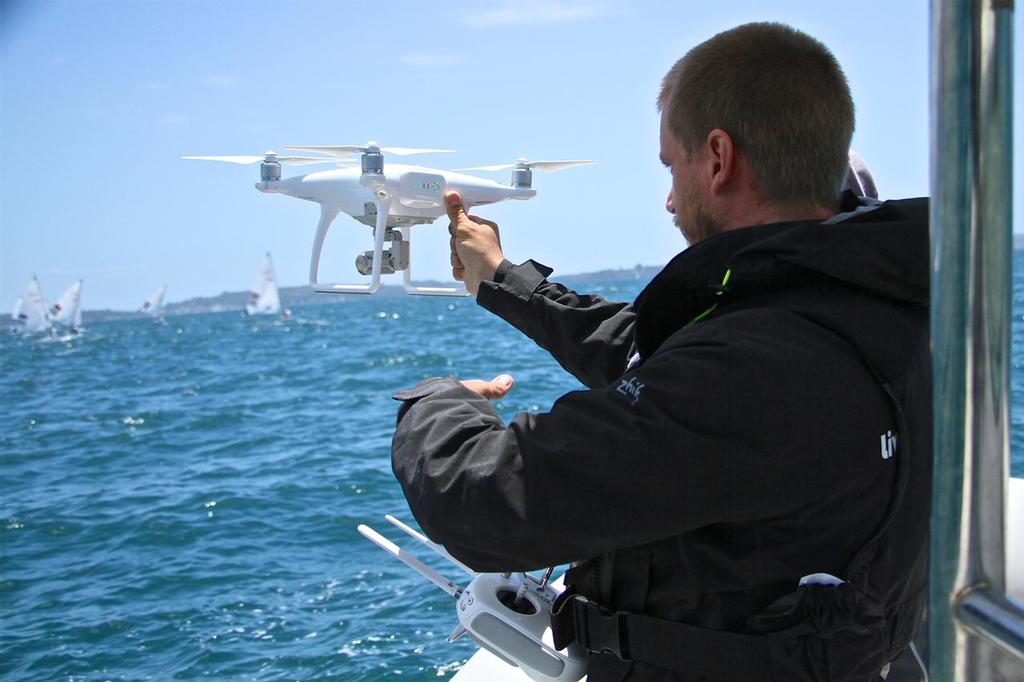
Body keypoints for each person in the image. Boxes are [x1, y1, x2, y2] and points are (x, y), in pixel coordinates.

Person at [391, 22, 930, 682]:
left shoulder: (754, 373)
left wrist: (437, 402)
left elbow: (483, 503)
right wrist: (505, 281)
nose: (671, 197)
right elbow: (661, 358)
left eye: (672, 166)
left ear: (719, 158)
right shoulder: (887, 309)